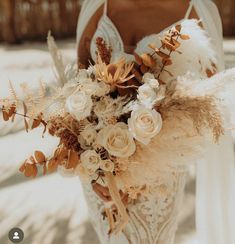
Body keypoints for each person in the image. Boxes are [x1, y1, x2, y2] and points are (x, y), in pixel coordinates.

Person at [76, 1, 235, 244]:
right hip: (98, 163)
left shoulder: (198, 9)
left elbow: (211, 102)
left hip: (161, 170)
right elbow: (77, 88)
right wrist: (99, 169)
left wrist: (139, 169)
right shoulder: (97, 6)